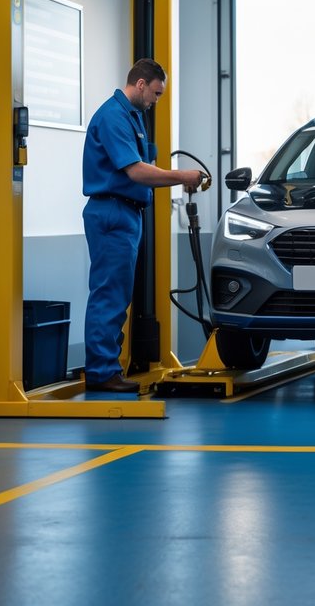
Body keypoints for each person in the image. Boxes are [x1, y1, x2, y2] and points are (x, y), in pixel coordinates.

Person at [81, 58, 205, 392]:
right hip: (111, 212)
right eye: (155, 93)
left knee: (118, 294)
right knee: (109, 294)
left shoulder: (134, 116)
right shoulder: (113, 116)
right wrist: (182, 176)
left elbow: (145, 165)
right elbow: (136, 171)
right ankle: (102, 372)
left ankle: (108, 368)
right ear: (140, 84)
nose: (155, 100)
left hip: (128, 212)